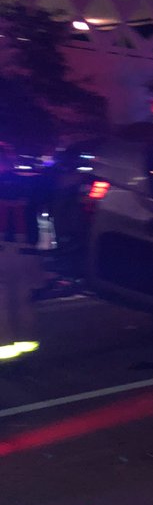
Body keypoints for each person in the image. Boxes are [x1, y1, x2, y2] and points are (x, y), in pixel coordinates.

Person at [0, 143, 44, 362]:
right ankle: (27, 344)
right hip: (27, 250)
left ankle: (5, 349)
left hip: (2, 250)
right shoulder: (27, 184)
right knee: (24, 299)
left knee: (2, 300)